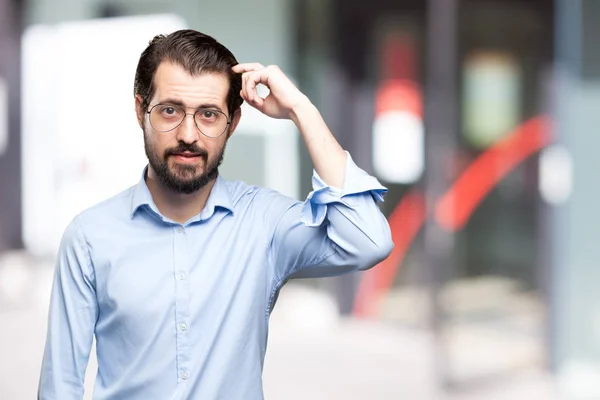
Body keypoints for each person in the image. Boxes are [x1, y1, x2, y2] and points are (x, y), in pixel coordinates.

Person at [38, 29, 393, 399]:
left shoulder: (263, 224)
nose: (188, 134)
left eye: (208, 114)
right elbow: (59, 386)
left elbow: (368, 241)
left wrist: (301, 110)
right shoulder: (90, 237)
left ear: (232, 124)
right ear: (140, 111)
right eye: (170, 110)